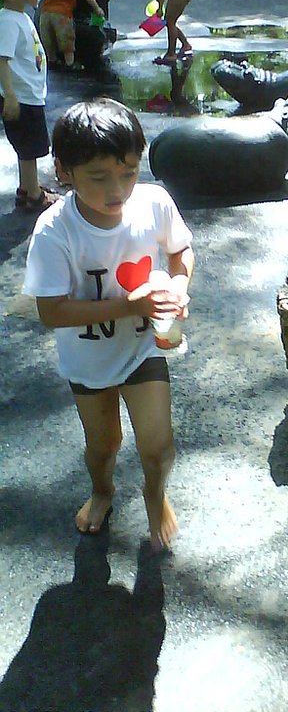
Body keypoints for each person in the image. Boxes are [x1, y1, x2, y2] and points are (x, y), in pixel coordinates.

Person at [23, 97, 195, 550]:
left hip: (142, 349)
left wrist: (178, 286)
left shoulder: (153, 203)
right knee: (104, 445)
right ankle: (102, 490)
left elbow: (180, 250)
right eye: (98, 177)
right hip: (88, 360)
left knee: (158, 446)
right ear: (64, 171)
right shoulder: (55, 231)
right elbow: (51, 312)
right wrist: (129, 306)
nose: (117, 190)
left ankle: (155, 493)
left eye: (129, 173)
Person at [0, 0, 59, 213]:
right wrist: (10, 95)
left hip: (29, 94)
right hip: (21, 96)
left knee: (28, 147)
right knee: (29, 148)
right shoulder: (8, 21)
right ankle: (34, 195)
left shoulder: (20, 16)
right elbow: (2, 60)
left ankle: (27, 187)